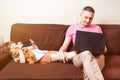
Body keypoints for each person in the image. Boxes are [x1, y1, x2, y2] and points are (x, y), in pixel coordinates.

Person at [58, 6, 107, 80]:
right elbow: (64, 47)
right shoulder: (73, 28)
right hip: (79, 57)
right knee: (86, 53)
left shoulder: (97, 28)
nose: (88, 20)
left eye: (91, 18)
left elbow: (105, 49)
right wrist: (61, 52)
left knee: (100, 57)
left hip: (96, 56)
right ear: (80, 15)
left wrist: (102, 48)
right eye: (86, 17)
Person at [0, 39, 76, 64]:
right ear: (10, 52)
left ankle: (77, 56)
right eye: (13, 47)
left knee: (62, 53)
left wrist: (33, 44)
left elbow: (37, 49)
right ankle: (78, 54)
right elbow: (22, 61)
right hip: (42, 58)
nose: (15, 46)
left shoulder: (25, 48)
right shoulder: (16, 57)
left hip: (45, 52)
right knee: (60, 56)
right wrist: (19, 50)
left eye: (15, 44)